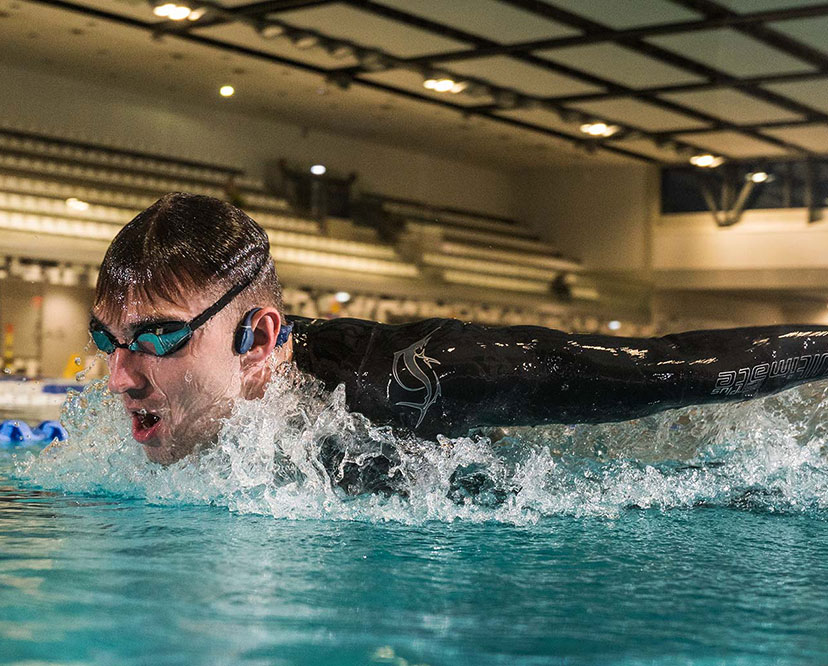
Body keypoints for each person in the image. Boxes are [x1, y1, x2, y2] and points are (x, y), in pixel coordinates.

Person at [89, 192, 828, 468]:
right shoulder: (132, 429)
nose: (120, 376)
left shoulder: (416, 378)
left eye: (158, 338)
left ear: (258, 339)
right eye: (108, 339)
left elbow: (670, 366)